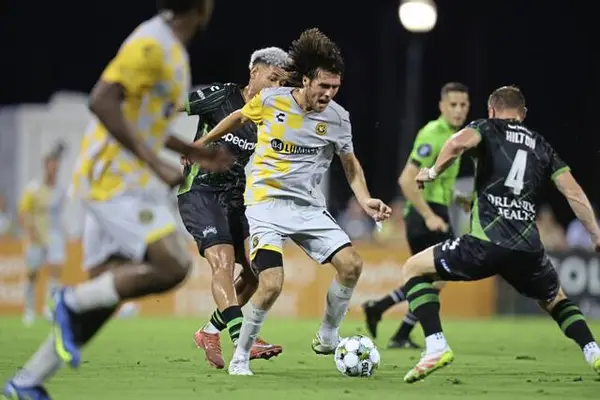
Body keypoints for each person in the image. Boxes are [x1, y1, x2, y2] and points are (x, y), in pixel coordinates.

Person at [3, 1, 221, 398]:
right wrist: (155, 162)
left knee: (105, 295)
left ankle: (27, 381)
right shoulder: (151, 43)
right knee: (173, 264)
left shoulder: (172, 50)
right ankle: (67, 299)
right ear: (203, 8)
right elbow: (101, 100)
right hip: (113, 180)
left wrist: (194, 151)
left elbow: (146, 122)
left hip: (121, 180)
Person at [193, 28, 392, 376]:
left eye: (335, 87)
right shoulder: (272, 101)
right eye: (323, 86)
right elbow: (239, 116)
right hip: (265, 205)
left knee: (352, 266)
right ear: (306, 80)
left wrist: (364, 198)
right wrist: (203, 143)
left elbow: (350, 164)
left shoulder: (338, 119)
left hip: (307, 209)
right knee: (271, 283)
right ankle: (240, 357)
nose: (328, 94)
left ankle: (327, 335)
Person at [399, 85, 600, 383]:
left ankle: (436, 346)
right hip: (528, 250)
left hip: (485, 244)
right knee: (555, 299)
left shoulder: (486, 127)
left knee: (413, 268)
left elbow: (457, 144)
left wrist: (432, 172)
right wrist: (595, 234)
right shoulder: (541, 145)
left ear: (491, 110)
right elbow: (574, 192)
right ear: (523, 113)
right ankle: (593, 352)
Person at [177, 47, 291, 368]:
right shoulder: (222, 95)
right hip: (200, 191)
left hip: (236, 197)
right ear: (254, 72)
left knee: (256, 272)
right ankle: (245, 341)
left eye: (282, 83)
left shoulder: (268, 114)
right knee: (223, 263)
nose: (276, 87)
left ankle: (209, 331)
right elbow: (174, 106)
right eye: (272, 78)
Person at [362, 82, 471, 348]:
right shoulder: (433, 134)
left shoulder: (455, 136)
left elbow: (439, 182)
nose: (458, 110)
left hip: (436, 210)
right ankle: (392, 321)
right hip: (425, 215)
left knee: (432, 278)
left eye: (463, 105)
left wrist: (460, 199)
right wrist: (429, 215)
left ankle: (384, 314)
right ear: (442, 106)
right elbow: (406, 179)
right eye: (453, 104)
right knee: (438, 275)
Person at [18, 146, 67, 325]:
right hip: (36, 236)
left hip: (54, 235)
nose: (54, 168)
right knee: (32, 273)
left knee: (55, 272)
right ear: (45, 165)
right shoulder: (33, 188)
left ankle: (49, 308)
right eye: (51, 164)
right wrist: (30, 231)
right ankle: (29, 310)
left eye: (56, 164)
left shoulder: (61, 190)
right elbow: (23, 211)